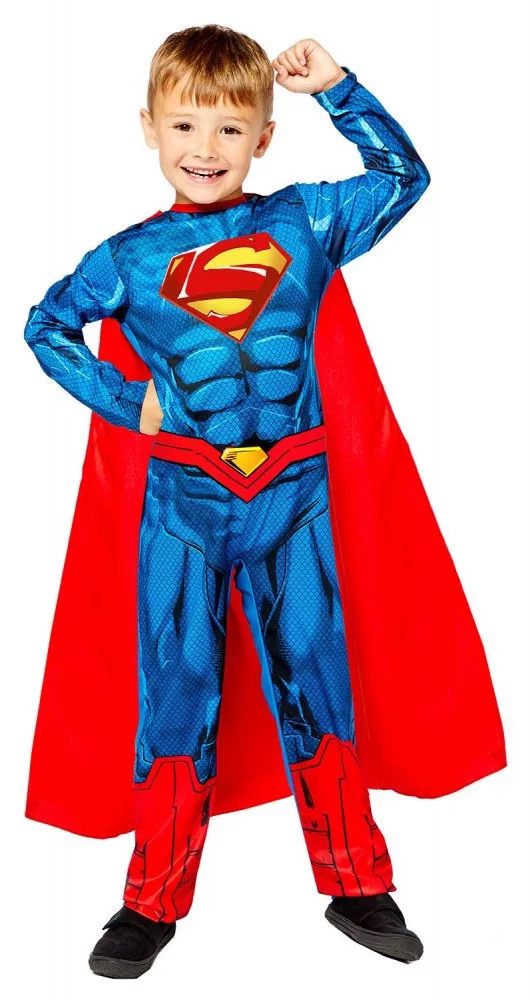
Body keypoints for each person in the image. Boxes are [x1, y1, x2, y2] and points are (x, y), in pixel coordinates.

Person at [23, 24, 506, 979]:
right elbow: (46, 325)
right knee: (176, 697)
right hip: (185, 507)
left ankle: (357, 884)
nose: (205, 148)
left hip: (294, 498)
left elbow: (404, 177)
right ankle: (150, 903)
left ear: (263, 137)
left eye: (230, 128)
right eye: (184, 126)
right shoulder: (127, 257)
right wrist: (126, 400)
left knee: (321, 688)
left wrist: (339, 87)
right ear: (149, 129)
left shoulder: (307, 221)